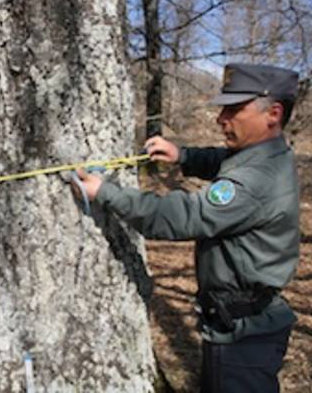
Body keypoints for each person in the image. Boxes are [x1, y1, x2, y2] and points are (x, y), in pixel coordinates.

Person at [73, 63, 299, 393]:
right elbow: (224, 162)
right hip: (241, 326)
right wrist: (183, 155)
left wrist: (105, 193)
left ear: (273, 113)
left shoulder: (256, 180)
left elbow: (177, 217)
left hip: (243, 337)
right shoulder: (266, 157)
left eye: (234, 109)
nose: (221, 118)